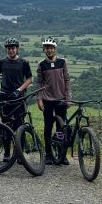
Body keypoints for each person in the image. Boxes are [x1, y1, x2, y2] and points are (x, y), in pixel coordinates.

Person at [0, 37, 33, 160]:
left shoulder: (24, 62)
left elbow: (29, 79)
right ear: (6, 49)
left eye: (13, 48)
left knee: (20, 126)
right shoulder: (2, 62)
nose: (10, 50)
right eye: (8, 48)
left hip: (18, 98)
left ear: (17, 49)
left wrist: (19, 90)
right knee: (5, 125)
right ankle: (7, 153)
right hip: (5, 97)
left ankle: (19, 155)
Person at [36, 37, 72, 165]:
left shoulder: (62, 62)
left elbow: (67, 80)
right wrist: (39, 99)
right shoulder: (41, 64)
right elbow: (39, 83)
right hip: (47, 99)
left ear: (55, 49)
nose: (49, 50)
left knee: (61, 128)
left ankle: (61, 154)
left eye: (51, 47)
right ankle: (48, 154)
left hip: (61, 99)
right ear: (44, 49)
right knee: (48, 126)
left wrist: (68, 98)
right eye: (47, 48)